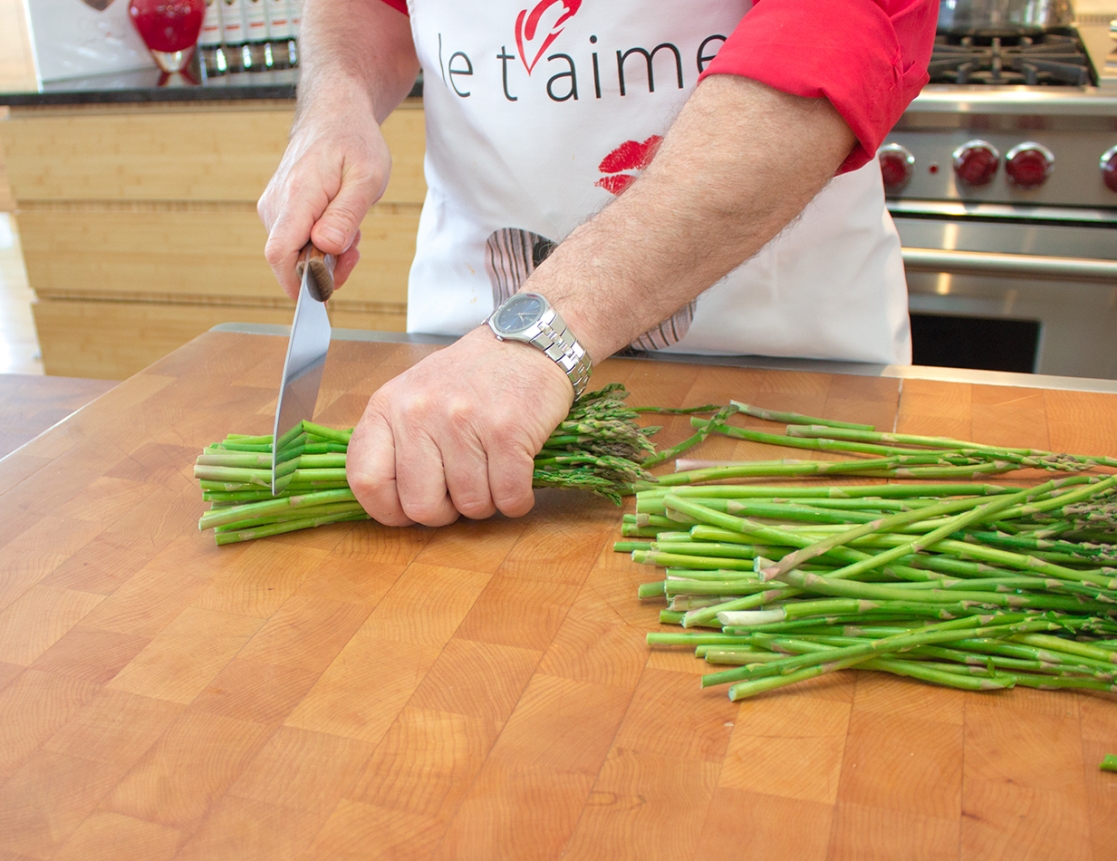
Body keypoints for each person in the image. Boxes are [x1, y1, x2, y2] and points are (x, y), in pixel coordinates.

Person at [258, 0, 938, 528]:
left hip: (780, 387)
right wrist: (336, 103)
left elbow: (832, 35)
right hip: (464, 376)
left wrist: (537, 334)